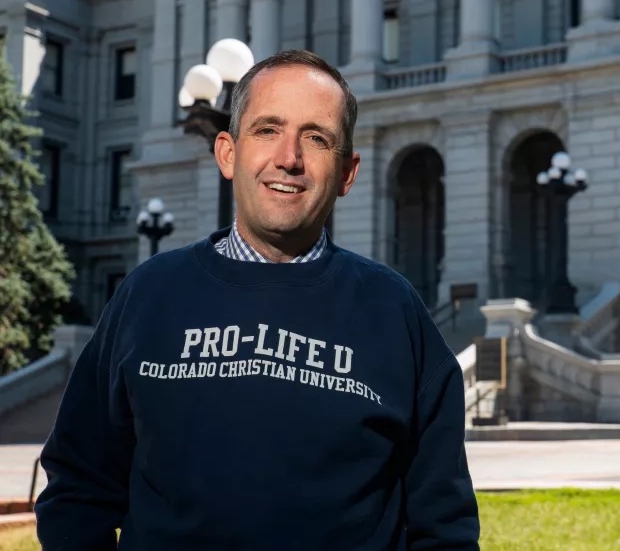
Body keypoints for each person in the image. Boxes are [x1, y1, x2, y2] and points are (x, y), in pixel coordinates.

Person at [34, 49, 480, 550]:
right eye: (268, 129)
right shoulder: (148, 295)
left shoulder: (395, 313)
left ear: (347, 173)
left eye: (316, 138)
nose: (288, 157)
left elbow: (444, 528)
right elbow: (77, 488)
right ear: (227, 153)